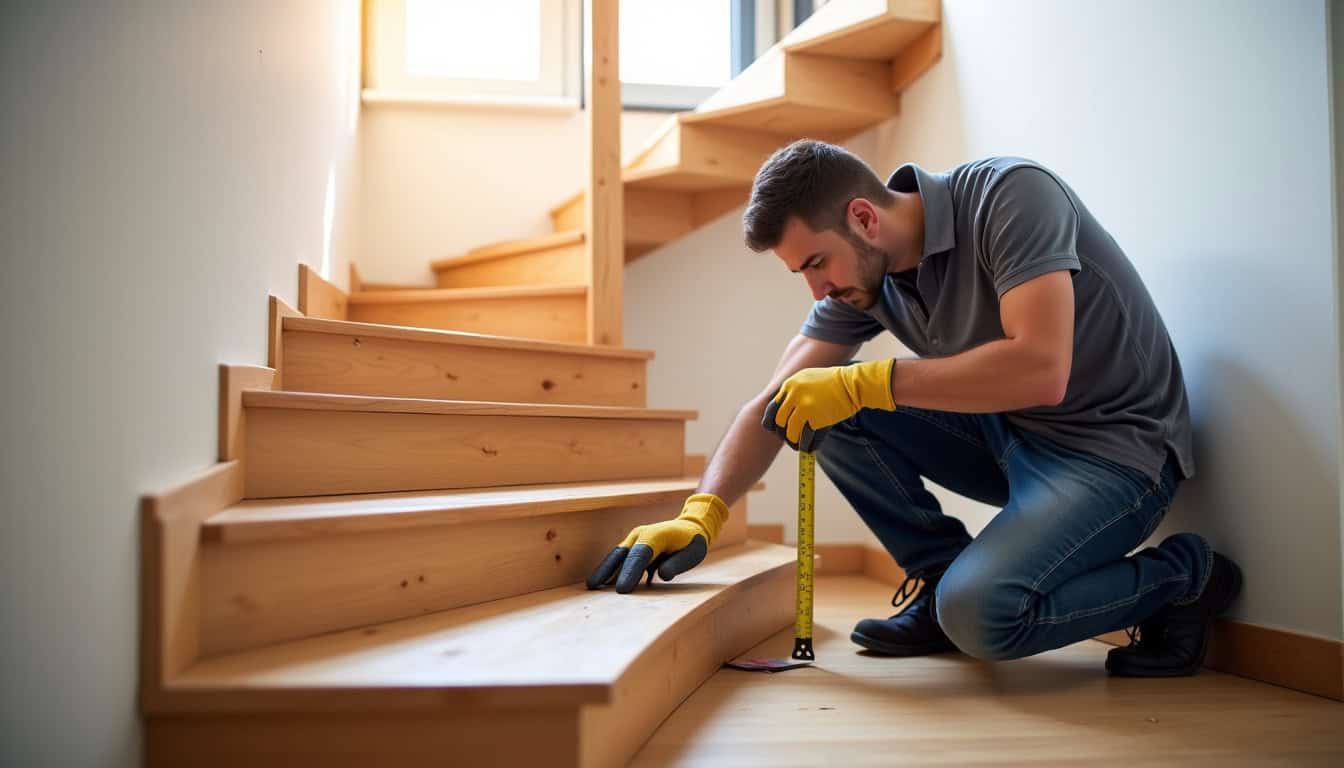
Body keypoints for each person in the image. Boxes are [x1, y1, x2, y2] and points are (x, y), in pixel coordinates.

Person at [586, 140, 1242, 677]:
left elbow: (1042, 370)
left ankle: (1185, 577)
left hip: (1118, 456)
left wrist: (866, 381)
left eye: (817, 262)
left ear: (865, 218)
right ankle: (938, 579)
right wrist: (703, 513)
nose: (818, 288)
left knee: (983, 615)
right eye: (801, 275)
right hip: (1015, 439)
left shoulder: (1010, 195)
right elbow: (775, 403)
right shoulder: (861, 281)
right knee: (818, 405)